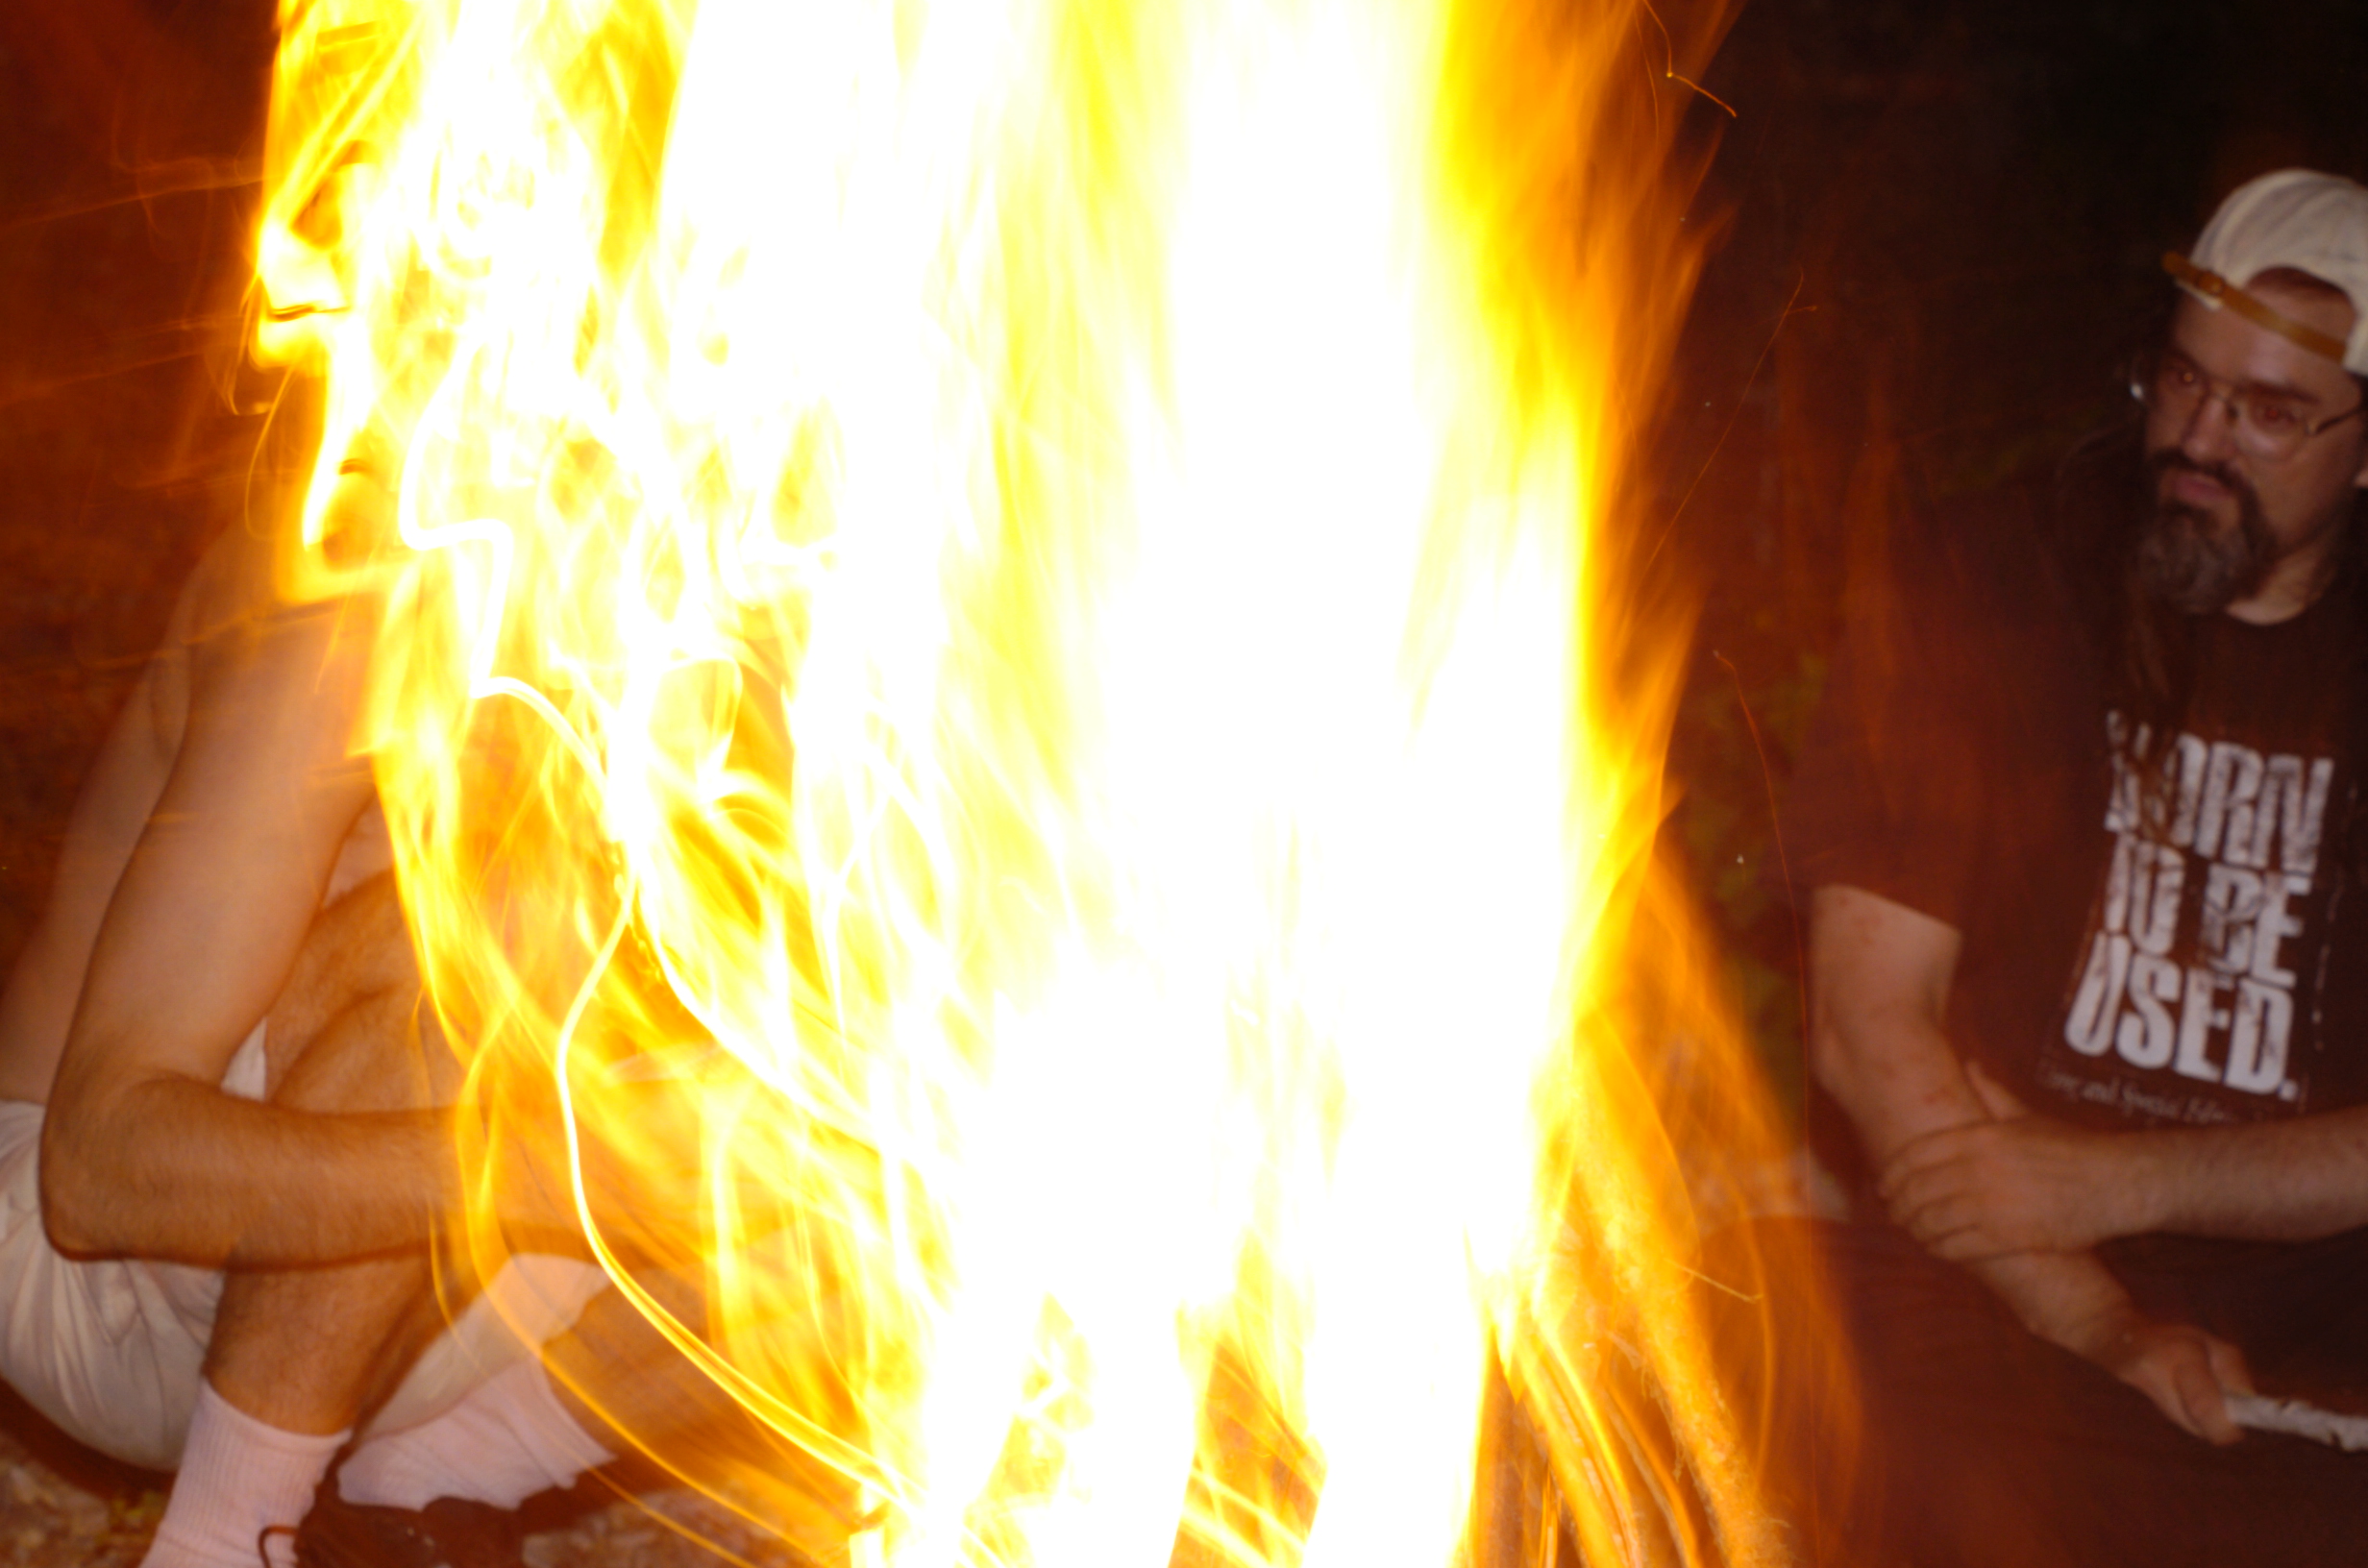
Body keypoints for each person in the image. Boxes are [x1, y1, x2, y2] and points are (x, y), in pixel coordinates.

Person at [1778, 167, 2368, 1563]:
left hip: (2297, 1376)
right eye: (2185, 378)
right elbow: (1867, 1024)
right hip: (1979, 1296)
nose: (2199, 440)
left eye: (2269, 411)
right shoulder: (1993, 572)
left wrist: (2115, 1181)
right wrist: (2097, 1314)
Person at [0, 484, 622, 1568]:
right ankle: (218, 1540)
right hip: (93, 1281)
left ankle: (422, 1494)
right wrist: (549, 1174)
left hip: (408, 1291)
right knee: (474, 937)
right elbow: (93, 1175)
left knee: (880, 1098)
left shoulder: (710, 642)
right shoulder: (342, 603)